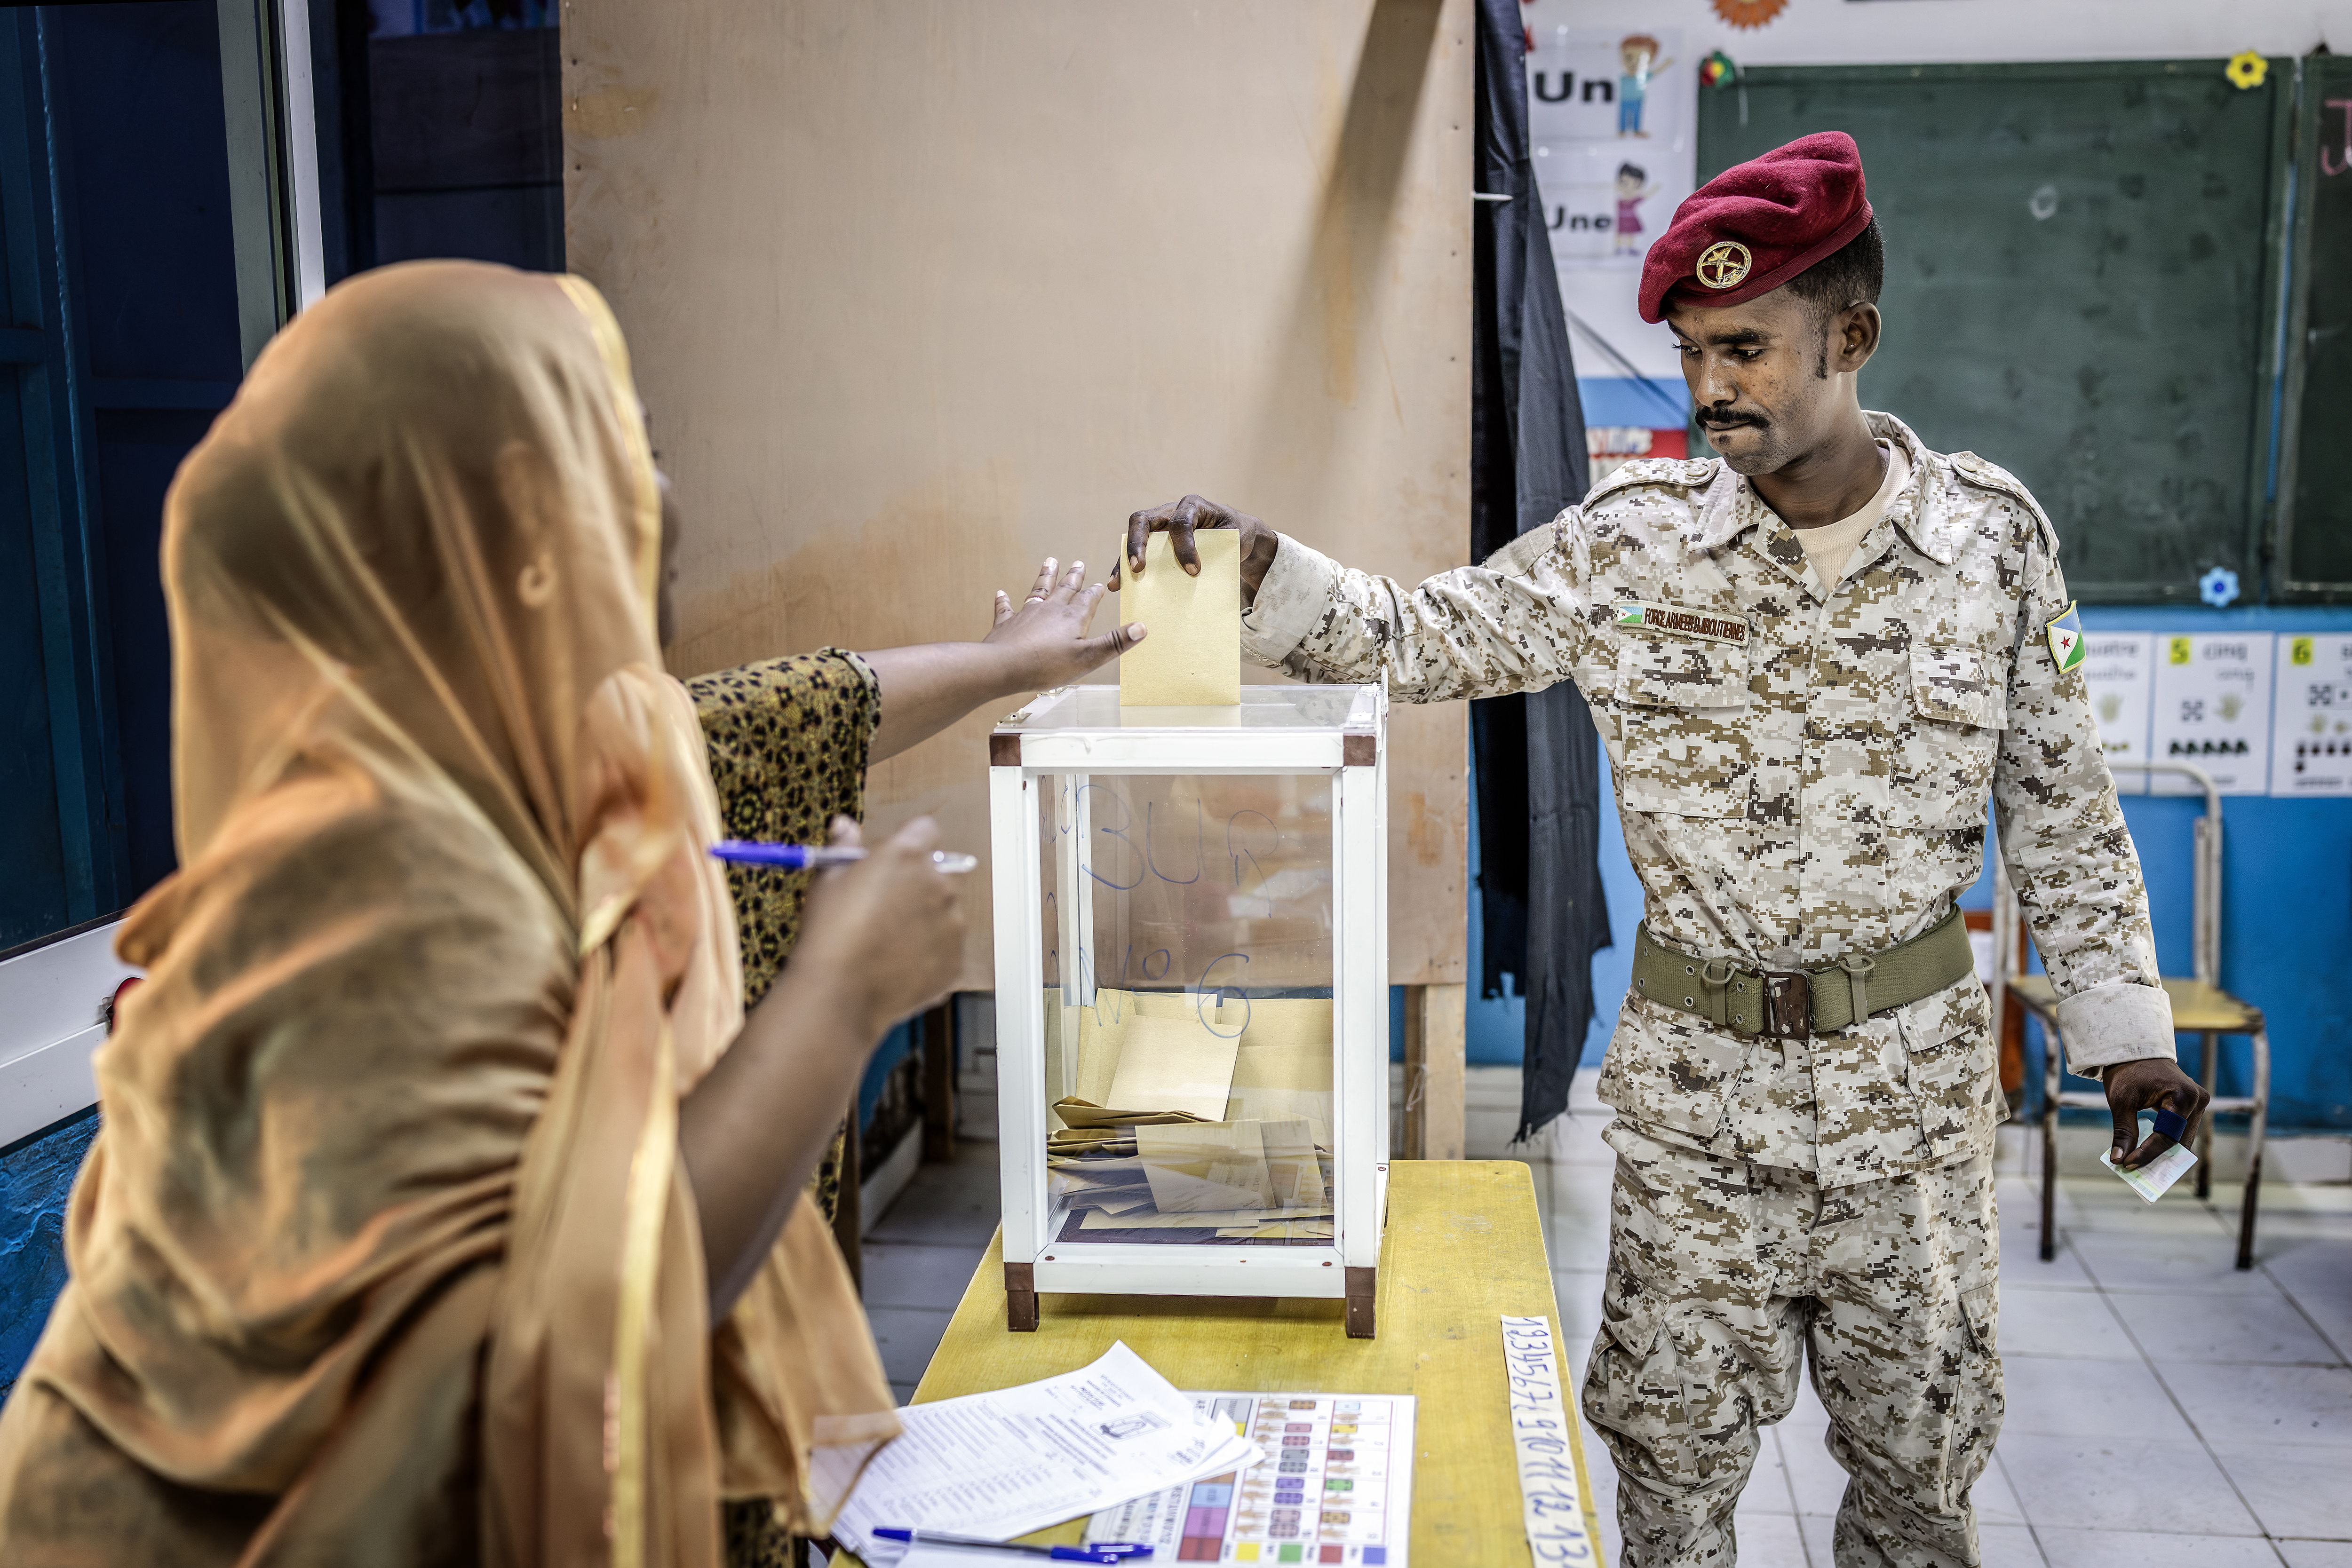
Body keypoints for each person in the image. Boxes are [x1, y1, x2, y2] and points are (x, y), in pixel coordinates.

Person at [1119, 133, 2209, 1568]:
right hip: (1700, 1116)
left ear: (1853, 336)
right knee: (1672, 1486)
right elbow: (1430, 634)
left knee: (1919, 1481)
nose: (1710, 388)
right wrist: (1272, 572)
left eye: (1746, 349)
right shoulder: (1632, 551)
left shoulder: (1992, 546)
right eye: (1695, 351)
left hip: (1915, 1123)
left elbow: (2063, 806)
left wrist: (2124, 1036)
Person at [0, 261, 1090, 1565]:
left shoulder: (591, 744)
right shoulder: (363, 888)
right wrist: (841, 994)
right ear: (519, 523)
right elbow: (579, 1339)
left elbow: (816, 701)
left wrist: (1018, 661)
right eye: (631, 450)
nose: (667, 498)